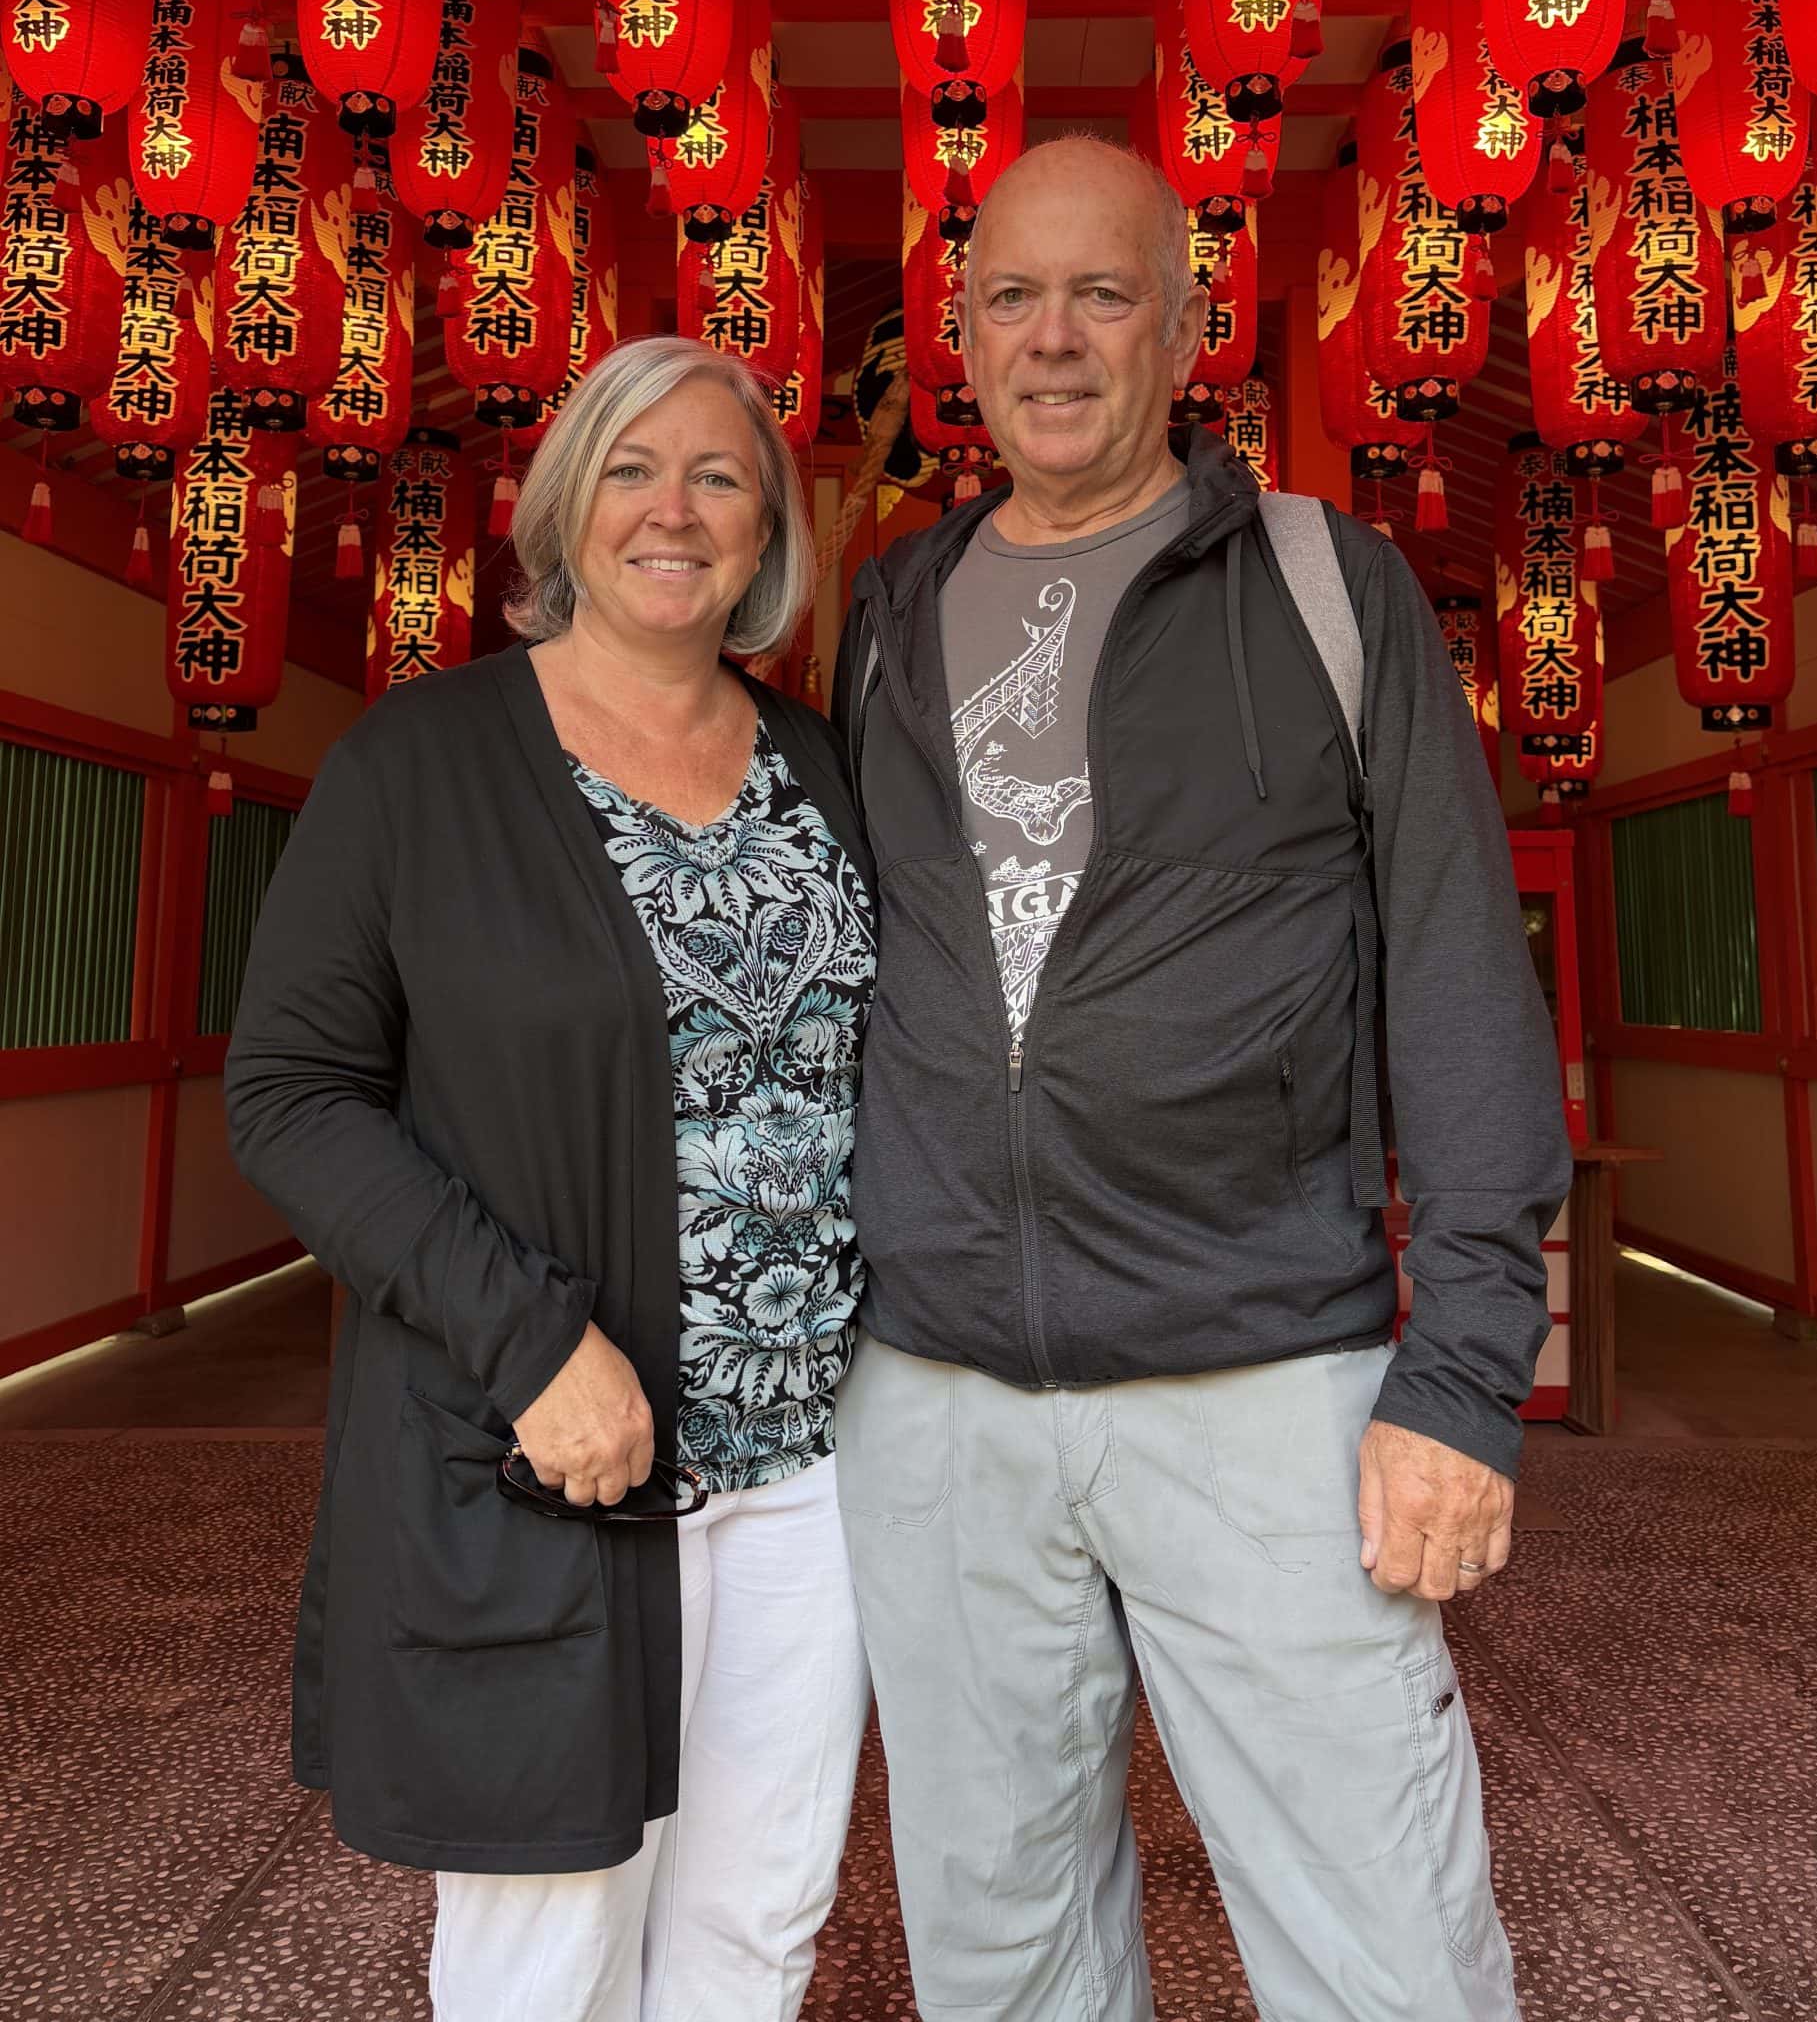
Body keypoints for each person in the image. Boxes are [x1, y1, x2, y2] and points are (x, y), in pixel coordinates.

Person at [831, 135, 1570, 2022]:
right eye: (1012, 297)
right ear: (961, 336)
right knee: (1001, 1949)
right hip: (942, 1394)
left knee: (1385, 1943)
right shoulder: (892, 614)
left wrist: (1464, 1369)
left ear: (1186, 327)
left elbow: (1457, 974)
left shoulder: (1324, 588)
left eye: (1104, 294)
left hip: (1262, 1377)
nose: (1054, 339)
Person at [226, 338, 876, 2022]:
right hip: (553, 1451)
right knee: (548, 1937)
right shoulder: (422, 760)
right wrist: (529, 1344)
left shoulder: (822, 766)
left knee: (759, 1921)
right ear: (568, 505)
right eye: (631, 469)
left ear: (767, 533)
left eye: (720, 478)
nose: (675, 510)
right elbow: (293, 1095)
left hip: (820, 1464)